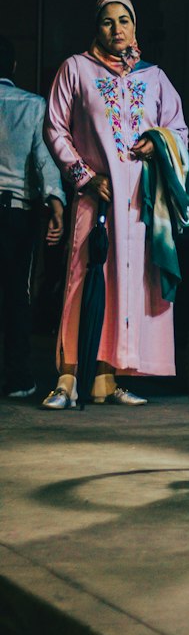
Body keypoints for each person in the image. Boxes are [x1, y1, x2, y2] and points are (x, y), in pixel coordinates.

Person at [42, 0, 189, 409]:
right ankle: (68, 377)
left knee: (129, 286)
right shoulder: (76, 70)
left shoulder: (153, 78)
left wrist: (156, 143)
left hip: (140, 205)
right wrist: (85, 178)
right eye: (108, 22)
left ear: (135, 26)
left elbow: (178, 129)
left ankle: (109, 377)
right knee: (82, 283)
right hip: (97, 201)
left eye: (124, 20)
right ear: (96, 27)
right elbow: (55, 129)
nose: (117, 29)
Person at [0, 36, 65, 400]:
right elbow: (44, 158)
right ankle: (18, 379)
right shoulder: (33, 106)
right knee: (16, 296)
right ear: (12, 68)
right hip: (15, 214)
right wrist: (56, 203)